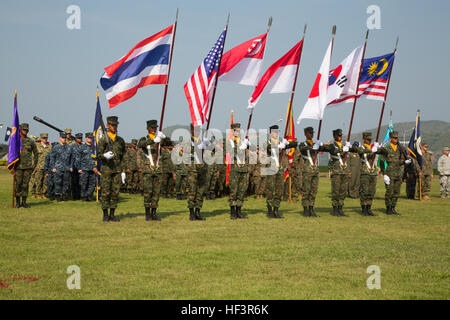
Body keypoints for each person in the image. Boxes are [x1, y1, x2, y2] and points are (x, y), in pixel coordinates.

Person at [264, 125, 297, 218]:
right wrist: (279, 147)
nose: (276, 133)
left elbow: (295, 144)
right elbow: (271, 150)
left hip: (280, 169)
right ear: (270, 133)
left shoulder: (281, 142)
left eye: (277, 132)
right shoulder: (268, 142)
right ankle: (270, 211)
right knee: (270, 190)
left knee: (279, 190)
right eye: (274, 132)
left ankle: (276, 210)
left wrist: (288, 143)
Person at [97, 116, 126, 222]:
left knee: (115, 192)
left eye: (116, 125)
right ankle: (105, 214)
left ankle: (112, 214)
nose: (114, 127)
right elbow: (98, 155)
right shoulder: (103, 140)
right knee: (105, 192)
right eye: (112, 125)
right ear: (108, 125)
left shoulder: (120, 140)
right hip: (107, 170)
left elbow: (123, 156)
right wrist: (104, 155)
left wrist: (123, 170)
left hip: (117, 170)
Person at [324, 129, 355, 217]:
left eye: (341, 136)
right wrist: (343, 150)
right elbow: (333, 151)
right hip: (336, 172)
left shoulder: (344, 145)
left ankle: (340, 209)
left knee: (343, 191)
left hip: (344, 171)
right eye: (338, 136)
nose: (340, 137)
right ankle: (335, 210)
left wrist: (349, 147)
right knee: (336, 191)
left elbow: (355, 150)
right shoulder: (332, 145)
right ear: (334, 136)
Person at [378, 131, 410, 215]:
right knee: (389, 191)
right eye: (394, 138)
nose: (396, 139)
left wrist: (405, 161)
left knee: (396, 191)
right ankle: (388, 208)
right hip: (390, 172)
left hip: (398, 172)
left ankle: (393, 207)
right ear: (390, 138)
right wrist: (384, 174)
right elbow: (382, 161)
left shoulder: (400, 148)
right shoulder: (386, 148)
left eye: (397, 138)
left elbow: (401, 159)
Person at [298, 127, 327, 217]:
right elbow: (302, 149)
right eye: (310, 133)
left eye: (312, 133)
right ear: (305, 134)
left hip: (315, 171)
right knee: (306, 190)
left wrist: (321, 145)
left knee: (314, 190)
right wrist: (313, 147)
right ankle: (305, 210)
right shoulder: (303, 144)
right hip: (307, 171)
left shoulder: (315, 144)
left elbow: (326, 149)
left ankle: (311, 209)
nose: (312, 134)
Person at [138, 120, 164, 221]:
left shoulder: (160, 140)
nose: (154, 129)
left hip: (157, 169)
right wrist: (153, 140)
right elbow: (140, 144)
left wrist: (163, 137)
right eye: (152, 128)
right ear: (147, 128)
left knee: (156, 192)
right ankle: (147, 213)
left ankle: (154, 213)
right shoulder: (144, 139)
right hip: (148, 170)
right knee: (148, 192)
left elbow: (170, 143)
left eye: (155, 128)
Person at [185, 123, 209, 221]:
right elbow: (185, 150)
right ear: (191, 131)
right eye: (195, 130)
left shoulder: (203, 141)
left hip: (202, 169)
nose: (197, 132)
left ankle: (198, 211)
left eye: (199, 130)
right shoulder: (187, 141)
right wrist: (198, 146)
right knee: (192, 191)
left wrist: (208, 144)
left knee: (201, 191)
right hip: (192, 170)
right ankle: (191, 213)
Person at [226, 123, 250, 219]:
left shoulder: (243, 141)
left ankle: (239, 211)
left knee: (241, 191)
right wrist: (241, 148)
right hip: (235, 170)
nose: (238, 132)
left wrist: (248, 144)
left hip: (243, 168)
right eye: (236, 131)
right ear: (232, 132)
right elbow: (233, 152)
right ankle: (232, 212)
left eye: (239, 131)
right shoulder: (230, 142)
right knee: (234, 191)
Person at [354, 132, 380, 216]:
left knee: (371, 192)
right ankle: (364, 209)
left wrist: (377, 147)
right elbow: (360, 151)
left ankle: (369, 208)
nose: (369, 141)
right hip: (365, 172)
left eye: (370, 139)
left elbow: (383, 151)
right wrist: (372, 149)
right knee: (364, 191)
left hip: (373, 173)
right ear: (364, 139)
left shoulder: (373, 148)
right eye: (368, 139)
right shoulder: (362, 148)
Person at [14, 123, 38, 208]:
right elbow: (11, 153)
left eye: (27, 130)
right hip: (18, 167)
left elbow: (36, 153)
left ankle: (24, 202)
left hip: (28, 167)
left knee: (25, 185)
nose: (25, 131)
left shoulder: (31, 141)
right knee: (18, 184)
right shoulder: (15, 141)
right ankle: (17, 202)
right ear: (20, 130)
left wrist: (34, 164)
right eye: (24, 129)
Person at [49, 132, 72, 202]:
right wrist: (53, 167)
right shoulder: (56, 147)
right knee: (58, 183)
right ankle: (58, 196)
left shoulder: (69, 147)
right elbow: (52, 158)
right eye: (62, 138)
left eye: (65, 138)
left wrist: (71, 166)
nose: (64, 139)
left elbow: (72, 158)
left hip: (66, 168)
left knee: (66, 183)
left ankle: (64, 196)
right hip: (58, 168)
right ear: (60, 138)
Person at [76, 132, 97, 201]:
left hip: (93, 169)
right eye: (88, 138)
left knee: (92, 183)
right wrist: (79, 168)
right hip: (84, 168)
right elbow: (78, 158)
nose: (90, 139)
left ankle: (89, 195)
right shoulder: (81, 147)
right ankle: (83, 196)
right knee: (83, 183)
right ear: (85, 138)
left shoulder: (94, 148)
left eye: (91, 138)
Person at [34, 133, 52, 199]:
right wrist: (34, 166)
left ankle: (44, 194)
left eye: (46, 138)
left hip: (47, 167)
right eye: (43, 138)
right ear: (41, 138)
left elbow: (51, 157)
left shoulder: (50, 147)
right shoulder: (37, 147)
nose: (45, 139)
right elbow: (34, 157)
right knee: (38, 181)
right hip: (39, 166)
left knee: (45, 182)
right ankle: (38, 194)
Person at [69, 133, 83, 200]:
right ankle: (74, 196)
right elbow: (70, 157)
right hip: (74, 167)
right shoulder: (72, 146)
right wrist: (70, 166)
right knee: (74, 182)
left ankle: (80, 195)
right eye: (78, 138)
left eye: (81, 138)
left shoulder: (83, 146)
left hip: (81, 167)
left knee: (80, 182)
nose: (80, 139)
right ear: (76, 139)